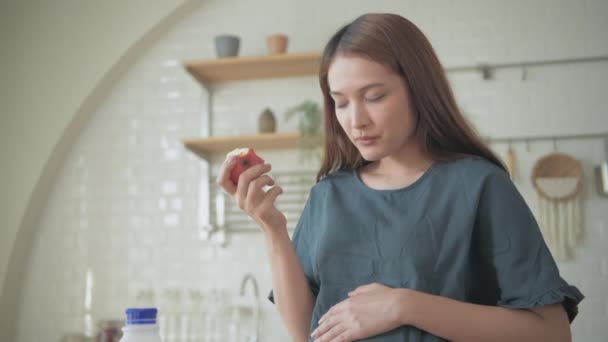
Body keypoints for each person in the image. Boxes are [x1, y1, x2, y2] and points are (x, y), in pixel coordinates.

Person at [216, 13, 584, 342]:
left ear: (419, 90)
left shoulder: (479, 185)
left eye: (373, 96)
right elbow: (304, 333)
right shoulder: (328, 196)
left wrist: (405, 305)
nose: (355, 120)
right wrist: (273, 229)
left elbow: (551, 332)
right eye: (340, 102)